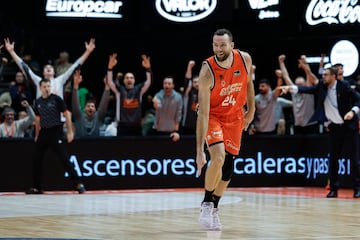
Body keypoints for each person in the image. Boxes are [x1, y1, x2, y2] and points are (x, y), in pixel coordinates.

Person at [196, 28, 255, 230]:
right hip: (213, 116)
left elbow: (248, 84)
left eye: (222, 45)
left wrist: (251, 110)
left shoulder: (245, 59)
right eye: (215, 45)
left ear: (232, 45)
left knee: (228, 168)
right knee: (218, 157)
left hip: (235, 116)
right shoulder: (206, 71)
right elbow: (202, 113)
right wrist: (198, 151)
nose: (218, 48)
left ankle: (214, 207)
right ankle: (205, 203)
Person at [281, 66, 360, 198]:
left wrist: (352, 112)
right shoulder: (322, 87)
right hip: (335, 128)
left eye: (326, 75)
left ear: (334, 76)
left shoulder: (344, 86)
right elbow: (307, 89)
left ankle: (357, 188)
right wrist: (291, 88)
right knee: (333, 160)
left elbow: (358, 99)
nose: (323, 77)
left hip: (349, 127)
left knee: (355, 159)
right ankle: (334, 189)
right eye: (323, 75)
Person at [26, 78, 85, 194]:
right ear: (40, 88)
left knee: (64, 159)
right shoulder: (37, 102)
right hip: (43, 132)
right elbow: (38, 119)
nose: (47, 88)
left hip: (55, 131)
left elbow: (67, 114)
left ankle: (78, 184)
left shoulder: (56, 99)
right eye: (44, 86)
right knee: (36, 160)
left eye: (48, 86)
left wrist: (69, 132)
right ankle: (37, 187)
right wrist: (37, 135)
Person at [4, 37, 96, 99]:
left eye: (50, 68)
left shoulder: (60, 80)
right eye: (46, 68)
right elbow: (24, 67)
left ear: (54, 72)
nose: (48, 68)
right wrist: (12, 52)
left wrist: (87, 52)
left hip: (57, 120)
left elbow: (75, 66)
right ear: (43, 73)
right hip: (43, 119)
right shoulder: (38, 81)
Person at [106, 53, 152, 136]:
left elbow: (148, 82)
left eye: (131, 78)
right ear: (123, 81)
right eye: (127, 78)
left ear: (134, 80)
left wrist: (148, 69)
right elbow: (109, 82)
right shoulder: (119, 91)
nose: (129, 79)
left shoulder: (139, 90)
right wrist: (110, 68)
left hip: (136, 127)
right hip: (122, 126)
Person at [278, 54, 320, 134]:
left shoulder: (309, 91)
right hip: (298, 126)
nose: (299, 87)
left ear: (305, 85)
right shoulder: (294, 91)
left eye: (301, 85)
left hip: (311, 125)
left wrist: (305, 62)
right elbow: (286, 77)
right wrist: (281, 62)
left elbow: (309, 74)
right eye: (297, 85)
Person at [72, 69, 111, 138]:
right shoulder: (79, 116)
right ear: (84, 109)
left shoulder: (98, 116)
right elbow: (75, 103)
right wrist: (75, 85)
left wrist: (107, 87)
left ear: (96, 109)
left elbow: (103, 104)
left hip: (95, 146)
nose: (90, 107)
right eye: (88, 106)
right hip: (79, 146)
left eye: (93, 106)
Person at [152, 76, 183, 142]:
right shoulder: (158, 95)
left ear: (173, 85)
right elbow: (158, 106)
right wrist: (156, 104)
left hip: (172, 128)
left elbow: (179, 112)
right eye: (165, 83)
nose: (167, 85)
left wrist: (176, 125)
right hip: (160, 127)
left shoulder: (178, 97)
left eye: (169, 83)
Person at [181, 60, 199, 135]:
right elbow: (187, 81)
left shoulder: (206, 93)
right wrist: (189, 67)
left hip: (201, 126)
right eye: (195, 82)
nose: (197, 84)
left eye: (199, 81)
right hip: (188, 126)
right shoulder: (189, 92)